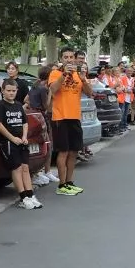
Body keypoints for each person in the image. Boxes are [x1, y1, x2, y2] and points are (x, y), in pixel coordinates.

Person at [47, 48, 94, 196]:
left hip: (75, 116)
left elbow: (89, 92)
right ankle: (61, 185)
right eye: (65, 57)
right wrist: (64, 74)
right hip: (60, 117)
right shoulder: (55, 73)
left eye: (71, 57)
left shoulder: (78, 74)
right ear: (61, 58)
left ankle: (69, 182)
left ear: (74, 58)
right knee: (64, 151)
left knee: (74, 151)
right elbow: (53, 90)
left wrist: (83, 78)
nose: (68, 59)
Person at [0, 78, 40, 209]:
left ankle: (30, 194)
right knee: (17, 168)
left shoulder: (19, 105)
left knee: (26, 167)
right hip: (9, 142)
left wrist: (25, 136)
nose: (11, 93)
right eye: (8, 91)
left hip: (22, 141)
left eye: (13, 91)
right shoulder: (0, 106)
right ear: (3, 91)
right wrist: (11, 138)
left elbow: (25, 123)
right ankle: (23, 197)